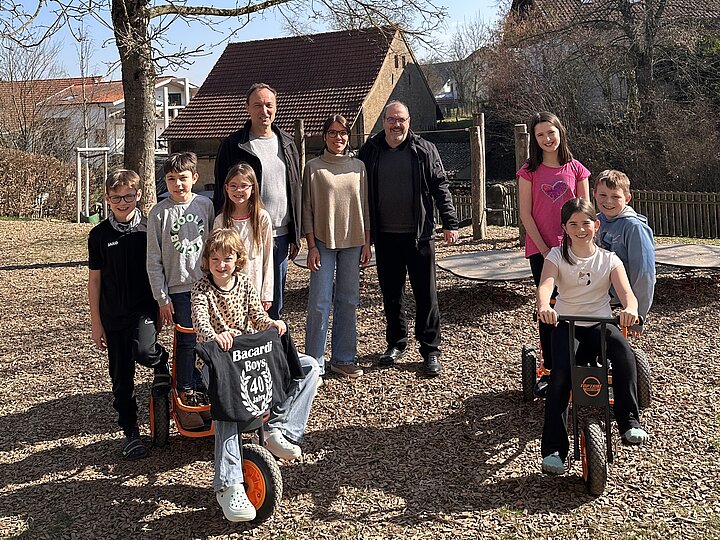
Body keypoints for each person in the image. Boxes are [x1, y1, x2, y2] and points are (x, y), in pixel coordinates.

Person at [191, 228, 320, 522]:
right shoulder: (201, 289)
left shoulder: (245, 283)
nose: (221, 265)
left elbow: (257, 316)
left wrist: (272, 323)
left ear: (237, 260)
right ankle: (229, 483)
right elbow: (199, 322)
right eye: (215, 259)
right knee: (226, 403)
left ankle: (279, 428)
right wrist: (215, 335)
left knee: (309, 367)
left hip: (249, 355)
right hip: (218, 361)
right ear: (207, 261)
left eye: (227, 259)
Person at [536, 198, 649, 475]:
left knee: (624, 356)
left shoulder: (609, 259)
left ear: (596, 225)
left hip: (600, 323)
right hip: (567, 324)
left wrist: (630, 309)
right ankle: (554, 450)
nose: (580, 229)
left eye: (586, 223)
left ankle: (629, 421)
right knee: (561, 374)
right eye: (573, 224)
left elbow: (627, 293)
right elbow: (546, 285)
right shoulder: (556, 256)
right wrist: (544, 305)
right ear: (564, 228)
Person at [358, 100, 459, 376]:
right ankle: (396, 342)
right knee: (392, 295)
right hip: (385, 236)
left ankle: (430, 349)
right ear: (383, 122)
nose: (396, 124)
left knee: (426, 295)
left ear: (409, 121)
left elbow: (440, 186)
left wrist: (450, 222)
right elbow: (358, 192)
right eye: (391, 119)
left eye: (401, 119)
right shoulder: (370, 150)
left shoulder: (424, 150)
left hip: (419, 236)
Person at [87, 169, 170, 461]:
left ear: (139, 195)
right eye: (116, 198)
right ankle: (131, 431)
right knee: (121, 377)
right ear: (107, 199)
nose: (123, 202)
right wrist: (96, 322)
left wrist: (162, 304)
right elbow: (94, 280)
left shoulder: (149, 229)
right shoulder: (98, 235)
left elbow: (161, 269)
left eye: (129, 196)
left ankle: (162, 362)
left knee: (144, 351)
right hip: (112, 314)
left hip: (143, 308)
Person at [214, 82, 302, 320]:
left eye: (269, 105)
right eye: (258, 105)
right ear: (247, 108)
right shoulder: (233, 145)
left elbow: (296, 189)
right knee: (237, 301)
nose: (264, 111)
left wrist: (295, 234)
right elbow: (221, 191)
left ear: (276, 107)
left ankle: (271, 343)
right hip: (241, 234)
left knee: (272, 302)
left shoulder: (287, 143)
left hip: (279, 235)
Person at [517, 111, 591, 394]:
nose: (547, 139)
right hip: (542, 250)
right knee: (548, 307)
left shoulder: (576, 169)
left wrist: (577, 246)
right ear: (534, 140)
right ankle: (550, 369)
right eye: (540, 135)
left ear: (560, 132)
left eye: (551, 132)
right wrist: (547, 251)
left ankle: (582, 362)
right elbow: (526, 214)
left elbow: (585, 213)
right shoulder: (529, 171)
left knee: (579, 303)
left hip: (574, 248)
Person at [147, 151, 214, 430]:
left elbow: (214, 245)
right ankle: (185, 389)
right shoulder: (159, 213)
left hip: (206, 286)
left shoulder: (204, 206)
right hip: (178, 288)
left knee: (207, 339)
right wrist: (162, 298)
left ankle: (204, 386)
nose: (178, 184)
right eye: (171, 179)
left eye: (183, 178)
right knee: (187, 339)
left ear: (194, 178)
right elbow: (154, 259)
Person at [302, 114, 372, 379]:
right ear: (324, 136)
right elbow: (307, 208)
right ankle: (314, 364)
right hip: (323, 242)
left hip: (353, 242)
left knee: (349, 301)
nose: (338, 137)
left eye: (342, 133)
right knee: (319, 303)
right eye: (332, 132)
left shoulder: (358, 167)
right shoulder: (313, 167)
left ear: (348, 136)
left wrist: (367, 243)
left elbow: (365, 207)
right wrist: (311, 245)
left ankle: (343, 358)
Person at [594, 169, 656, 323]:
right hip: (595, 293)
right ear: (594, 194)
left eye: (615, 196)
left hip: (620, 296)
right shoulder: (595, 222)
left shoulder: (634, 228)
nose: (608, 201)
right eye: (603, 195)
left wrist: (638, 314)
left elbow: (644, 274)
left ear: (627, 198)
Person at [214, 162, 274, 311]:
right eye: (233, 186)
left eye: (244, 186)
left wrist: (267, 293)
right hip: (227, 289)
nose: (238, 190)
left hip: (254, 285)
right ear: (226, 188)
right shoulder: (220, 220)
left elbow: (268, 257)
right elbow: (215, 257)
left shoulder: (262, 218)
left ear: (253, 188)